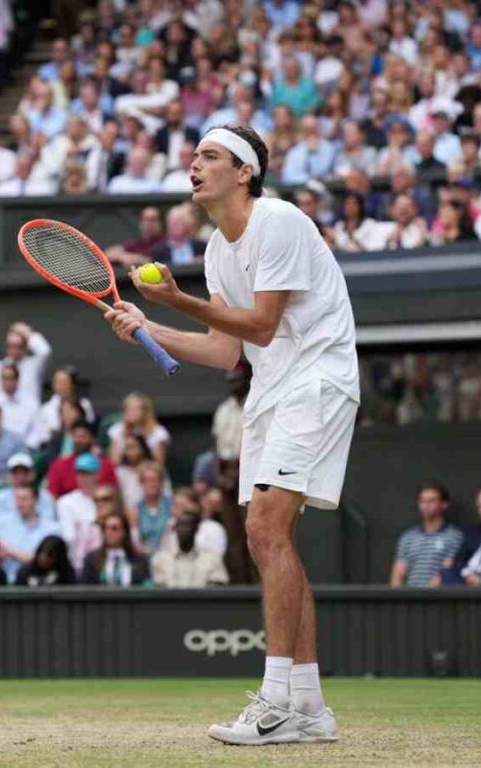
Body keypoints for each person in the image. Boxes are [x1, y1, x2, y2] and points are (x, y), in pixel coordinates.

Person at [105, 124, 358, 744]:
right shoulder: (219, 249)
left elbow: (264, 324)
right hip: (271, 392)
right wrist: (148, 326)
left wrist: (175, 302)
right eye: (193, 156)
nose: (194, 165)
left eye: (210, 156)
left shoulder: (279, 220)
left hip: (317, 379)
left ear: (245, 171)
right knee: (275, 539)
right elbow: (226, 351)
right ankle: (309, 708)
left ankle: (274, 701)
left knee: (264, 529)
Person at [389, 484, 464, 587]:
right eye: (423, 501)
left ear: (444, 504)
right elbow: (397, 575)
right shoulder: (407, 537)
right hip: (410, 598)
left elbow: (446, 570)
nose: (426, 505)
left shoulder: (454, 536)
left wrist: (427, 595)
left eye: (431, 501)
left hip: (438, 598)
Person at [0, 485, 62, 582]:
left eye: (24, 499)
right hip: (5, 581)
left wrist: (9, 551)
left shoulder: (53, 529)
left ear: (35, 500)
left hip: (40, 583)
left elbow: (42, 560)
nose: (20, 503)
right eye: (17, 499)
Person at [151, 512, 229, 587]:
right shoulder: (160, 559)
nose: (183, 529)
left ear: (196, 529)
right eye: (180, 525)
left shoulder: (213, 559)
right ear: (175, 529)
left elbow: (216, 588)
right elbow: (161, 590)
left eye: (188, 525)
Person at [80, 511, 149, 586]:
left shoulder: (140, 560)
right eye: (105, 528)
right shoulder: (91, 560)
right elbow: (86, 590)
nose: (108, 532)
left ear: (125, 531)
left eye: (114, 528)